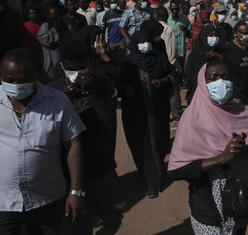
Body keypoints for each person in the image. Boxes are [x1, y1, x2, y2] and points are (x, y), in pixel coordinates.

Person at [168, 59, 248, 235]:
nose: (220, 82)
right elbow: (178, 170)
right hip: (209, 205)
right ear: (203, 83)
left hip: (245, 200)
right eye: (214, 77)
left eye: (225, 76)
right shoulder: (191, 118)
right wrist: (222, 158)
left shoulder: (244, 112)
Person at [0, 48, 86, 233]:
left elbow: (74, 144)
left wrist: (75, 191)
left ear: (36, 75)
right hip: (4, 203)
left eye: (22, 80)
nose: (15, 85)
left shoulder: (57, 101)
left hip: (47, 200)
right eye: (9, 79)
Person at [55, 38, 122, 233]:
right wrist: (65, 98)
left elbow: (109, 122)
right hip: (66, 171)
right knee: (77, 224)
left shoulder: (101, 83)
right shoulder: (52, 91)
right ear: (62, 66)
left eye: (81, 67)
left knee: (113, 217)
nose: (77, 73)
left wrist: (90, 93)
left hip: (101, 163)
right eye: (71, 68)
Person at [118, 26, 177, 198]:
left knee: (160, 142)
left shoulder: (158, 58)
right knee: (143, 146)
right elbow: (119, 85)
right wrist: (127, 89)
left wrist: (164, 80)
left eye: (147, 41)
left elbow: (174, 75)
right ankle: (150, 181)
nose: (146, 45)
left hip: (159, 110)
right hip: (138, 115)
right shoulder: (128, 64)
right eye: (142, 42)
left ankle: (158, 173)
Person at [224, 23, 248, 107]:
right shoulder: (229, 49)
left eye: (247, 33)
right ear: (236, 33)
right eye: (242, 33)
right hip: (237, 93)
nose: (245, 36)